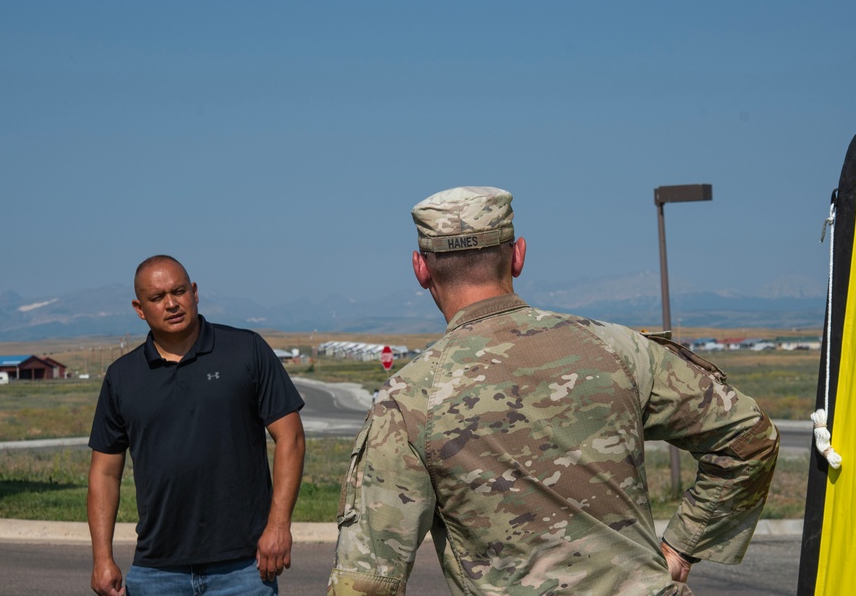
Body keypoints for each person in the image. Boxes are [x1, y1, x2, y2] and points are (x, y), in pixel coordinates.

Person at [328, 186, 780, 596]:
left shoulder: (409, 401)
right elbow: (749, 437)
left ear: (421, 269)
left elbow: (366, 583)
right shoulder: (617, 348)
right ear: (519, 256)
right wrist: (681, 547)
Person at [88, 255, 306, 596]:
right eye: (157, 298)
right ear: (139, 308)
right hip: (155, 571)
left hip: (244, 568)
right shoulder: (122, 377)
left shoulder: (245, 351)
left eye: (178, 291)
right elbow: (104, 473)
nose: (171, 304)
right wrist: (102, 558)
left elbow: (290, 437)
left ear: (195, 292)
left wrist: (279, 525)